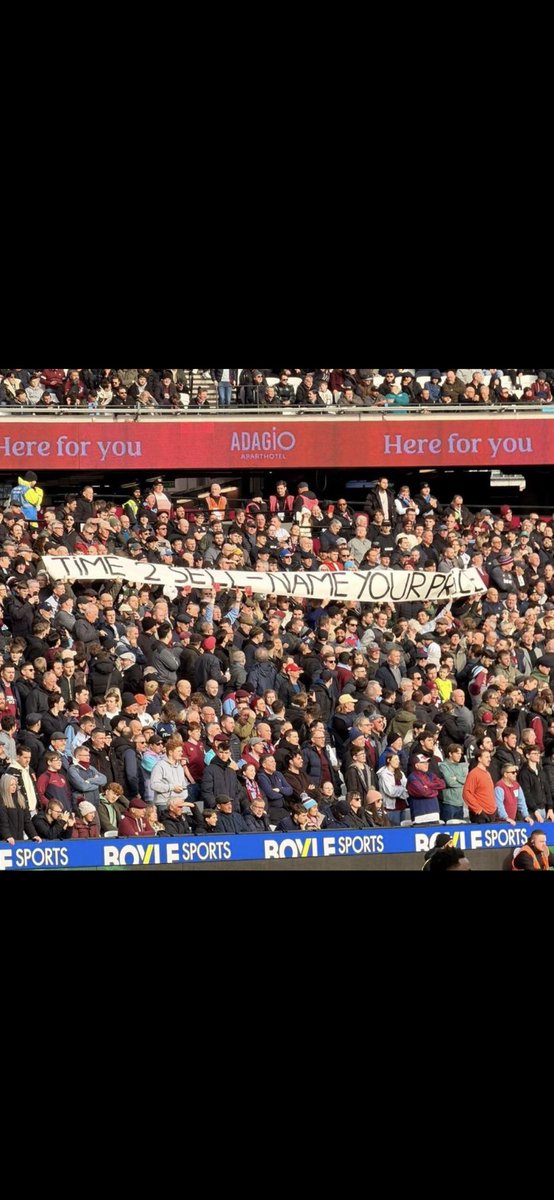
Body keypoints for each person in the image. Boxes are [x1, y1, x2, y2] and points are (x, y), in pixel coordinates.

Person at [0, 773, 42, 844]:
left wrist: (34, 835)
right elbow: (3, 822)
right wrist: (7, 836)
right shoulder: (2, 801)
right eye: (11, 785)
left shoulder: (20, 800)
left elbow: (27, 821)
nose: (14, 787)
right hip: (5, 841)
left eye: (15, 785)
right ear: (5, 786)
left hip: (19, 840)